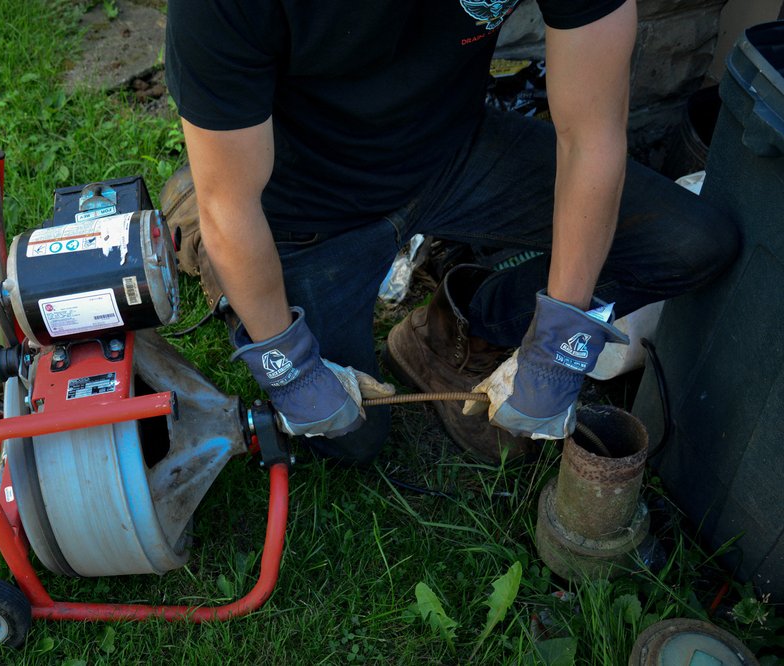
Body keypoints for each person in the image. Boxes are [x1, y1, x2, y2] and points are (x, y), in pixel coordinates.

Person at [164, 0, 738, 467]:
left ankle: (463, 324)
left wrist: (560, 337)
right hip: (310, 206)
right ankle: (197, 218)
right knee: (349, 443)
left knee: (690, 245)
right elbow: (231, 203)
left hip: (453, 150)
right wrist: (288, 366)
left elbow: (591, 136)